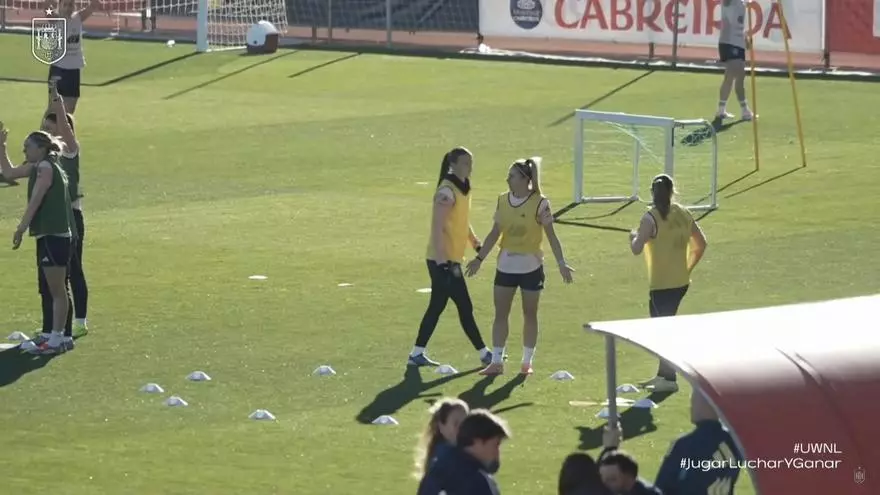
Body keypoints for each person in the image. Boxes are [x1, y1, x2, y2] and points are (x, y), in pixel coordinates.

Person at [466, 157, 573, 376]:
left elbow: (551, 236)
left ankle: (526, 362)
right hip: (505, 266)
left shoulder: (541, 203)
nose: (508, 179)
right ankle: (497, 361)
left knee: (530, 314)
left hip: (531, 268)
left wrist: (561, 263)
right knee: (500, 314)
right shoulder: (502, 200)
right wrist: (479, 259)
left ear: (525, 179)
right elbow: (495, 232)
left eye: (512, 176)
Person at [409, 147, 492, 367]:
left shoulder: (463, 188)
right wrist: (441, 263)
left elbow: (461, 220)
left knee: (437, 306)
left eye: (471, 163)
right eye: (466, 163)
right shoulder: (446, 192)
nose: (470, 167)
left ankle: (416, 354)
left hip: (452, 259)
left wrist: (474, 242)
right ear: (453, 164)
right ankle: (485, 354)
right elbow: (437, 228)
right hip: (442, 261)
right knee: (464, 306)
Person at [0, 124, 77, 355]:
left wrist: (21, 227)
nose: (24, 152)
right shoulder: (42, 165)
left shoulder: (44, 168)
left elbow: (36, 199)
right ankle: (54, 335)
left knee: (57, 289)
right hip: (49, 234)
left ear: (41, 148)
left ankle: (57, 339)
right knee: (51, 287)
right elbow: (10, 173)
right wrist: (1, 148)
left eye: (27, 148)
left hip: (54, 234)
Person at [629, 174, 707, 392]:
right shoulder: (683, 213)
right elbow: (701, 244)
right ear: (672, 192)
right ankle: (663, 375)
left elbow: (636, 248)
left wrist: (633, 237)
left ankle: (670, 379)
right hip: (680, 282)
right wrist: (687, 268)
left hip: (661, 284)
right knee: (665, 326)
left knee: (661, 331)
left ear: (653, 193)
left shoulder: (650, 218)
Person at [40, 81, 89, 340]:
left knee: (74, 269)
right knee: (55, 276)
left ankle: (79, 320)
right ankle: (54, 327)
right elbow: (41, 130)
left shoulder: (70, 150)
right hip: (55, 219)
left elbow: (64, 128)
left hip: (73, 217)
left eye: (52, 127)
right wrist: (50, 99)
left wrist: (58, 104)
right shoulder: (47, 154)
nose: (48, 131)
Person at [654, 389, 743, 495]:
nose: (691, 408)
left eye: (693, 402)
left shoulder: (685, 444)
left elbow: (661, 487)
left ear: (703, 405)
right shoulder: (735, 442)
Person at [418, 409, 509, 495]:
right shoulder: (478, 481)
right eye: (496, 445)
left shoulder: (436, 469)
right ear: (477, 442)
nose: (497, 452)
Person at [45, 0, 102, 114]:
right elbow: (46, 4)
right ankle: (44, 132)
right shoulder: (55, 19)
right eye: (65, 5)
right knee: (53, 110)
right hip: (58, 69)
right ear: (59, 6)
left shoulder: (78, 18)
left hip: (73, 71)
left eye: (70, 4)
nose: (68, 8)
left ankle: (64, 131)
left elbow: (95, 4)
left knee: (69, 111)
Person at [716, 0, 755, 121]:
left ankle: (723, 110)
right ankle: (744, 110)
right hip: (729, 42)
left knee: (735, 77)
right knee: (735, 74)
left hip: (739, 43)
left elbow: (739, 22)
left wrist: (745, 38)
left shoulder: (742, 3)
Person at [414, 398, 470, 478]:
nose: (461, 427)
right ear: (441, 426)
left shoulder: (465, 452)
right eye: (456, 423)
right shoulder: (444, 460)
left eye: (465, 422)